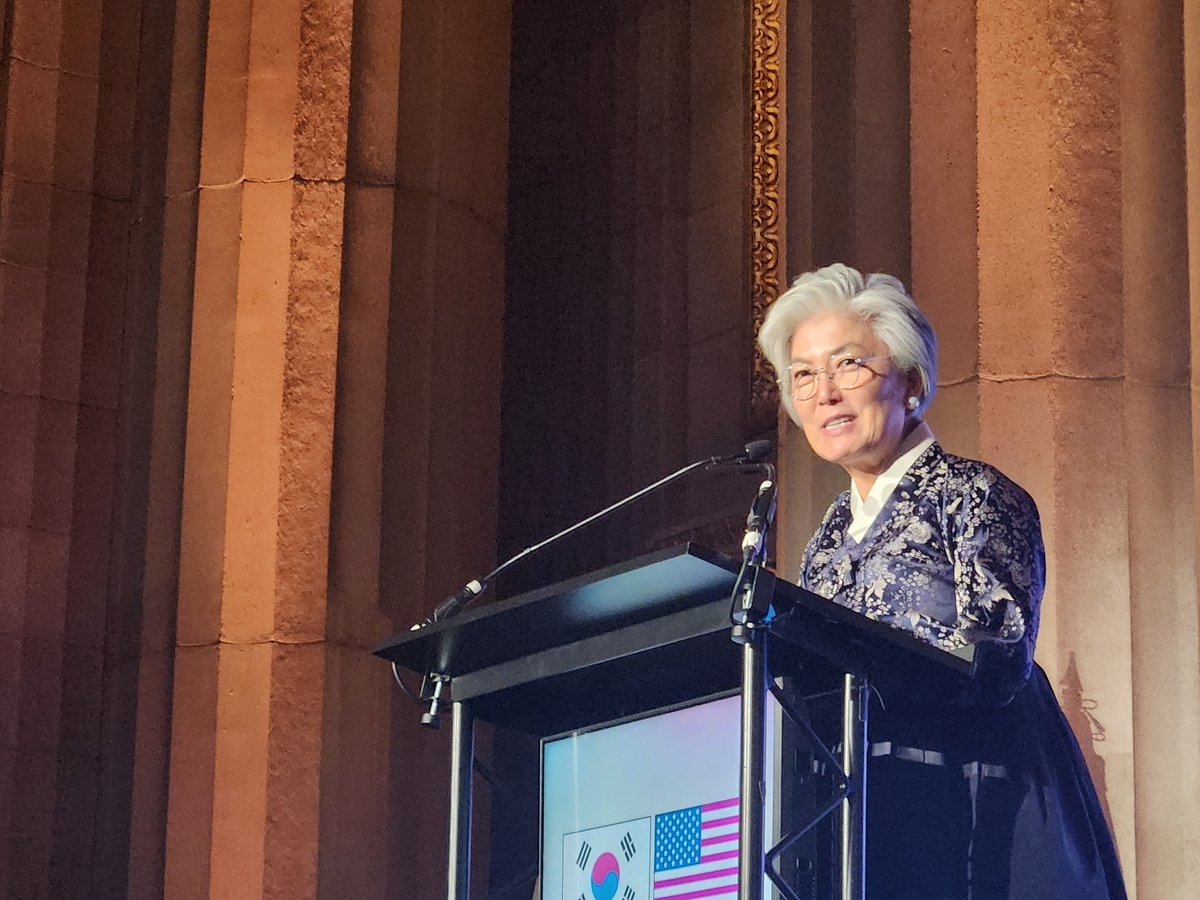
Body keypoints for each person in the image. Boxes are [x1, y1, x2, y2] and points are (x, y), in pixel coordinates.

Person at [757, 264, 1127, 900]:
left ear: (911, 380)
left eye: (848, 366)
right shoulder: (827, 532)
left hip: (977, 810)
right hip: (862, 819)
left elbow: (998, 657)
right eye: (804, 376)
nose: (825, 393)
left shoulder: (974, 495)